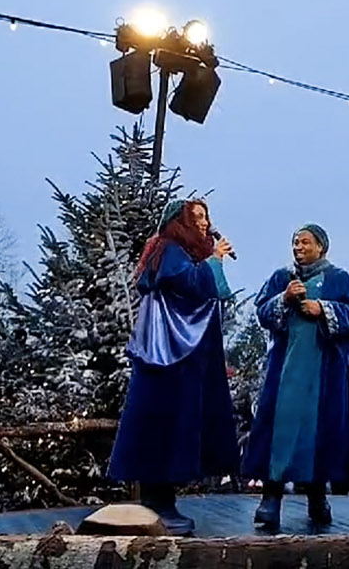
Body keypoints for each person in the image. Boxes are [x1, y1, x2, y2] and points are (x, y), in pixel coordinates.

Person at [109, 199, 239, 535]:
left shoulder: (179, 251)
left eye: (206, 217)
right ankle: (157, 503)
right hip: (168, 353)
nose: (204, 224)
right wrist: (214, 260)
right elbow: (189, 284)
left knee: (173, 421)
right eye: (196, 218)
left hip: (182, 354)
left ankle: (162, 501)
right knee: (162, 421)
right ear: (178, 222)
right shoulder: (168, 249)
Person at [243, 224, 349, 528]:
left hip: (325, 371)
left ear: (321, 247)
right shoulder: (281, 277)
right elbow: (261, 311)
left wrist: (324, 309)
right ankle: (270, 499)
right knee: (278, 429)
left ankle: (317, 497)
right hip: (284, 370)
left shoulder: (338, 278)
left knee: (321, 431)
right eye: (295, 242)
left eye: (305, 242)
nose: (298, 247)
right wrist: (283, 300)